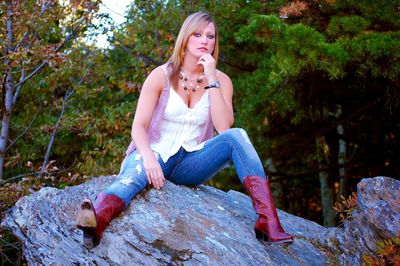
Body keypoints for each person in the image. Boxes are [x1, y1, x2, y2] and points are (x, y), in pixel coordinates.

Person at [76, 11, 293, 249]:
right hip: (154, 155)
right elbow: (138, 126)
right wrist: (148, 159)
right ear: (185, 39)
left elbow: (223, 127)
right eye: (197, 34)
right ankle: (95, 222)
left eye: (210, 36)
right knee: (130, 179)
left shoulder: (222, 80)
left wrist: (211, 78)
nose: (204, 41)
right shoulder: (160, 76)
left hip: (191, 162)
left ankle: (268, 221)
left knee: (237, 136)